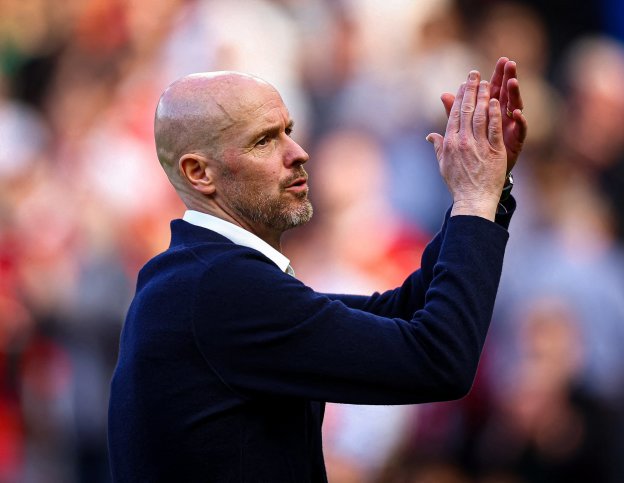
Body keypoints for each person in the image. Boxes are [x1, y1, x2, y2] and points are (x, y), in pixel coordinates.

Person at [107, 57, 528, 482]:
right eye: (264, 141)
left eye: (287, 131)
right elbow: (439, 359)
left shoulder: (200, 277)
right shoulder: (218, 288)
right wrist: (474, 199)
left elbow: (400, 311)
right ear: (199, 173)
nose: (299, 153)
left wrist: (487, 192)